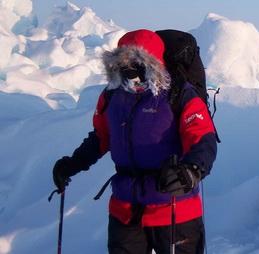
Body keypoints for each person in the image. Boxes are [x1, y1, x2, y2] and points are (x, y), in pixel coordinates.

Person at [51, 29, 217, 254]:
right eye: (122, 62)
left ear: (153, 62)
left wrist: (192, 170)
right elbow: (101, 137)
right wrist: (73, 164)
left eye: (136, 62)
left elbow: (202, 138)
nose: (128, 69)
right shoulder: (111, 97)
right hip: (126, 209)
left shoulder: (178, 94)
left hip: (174, 206)